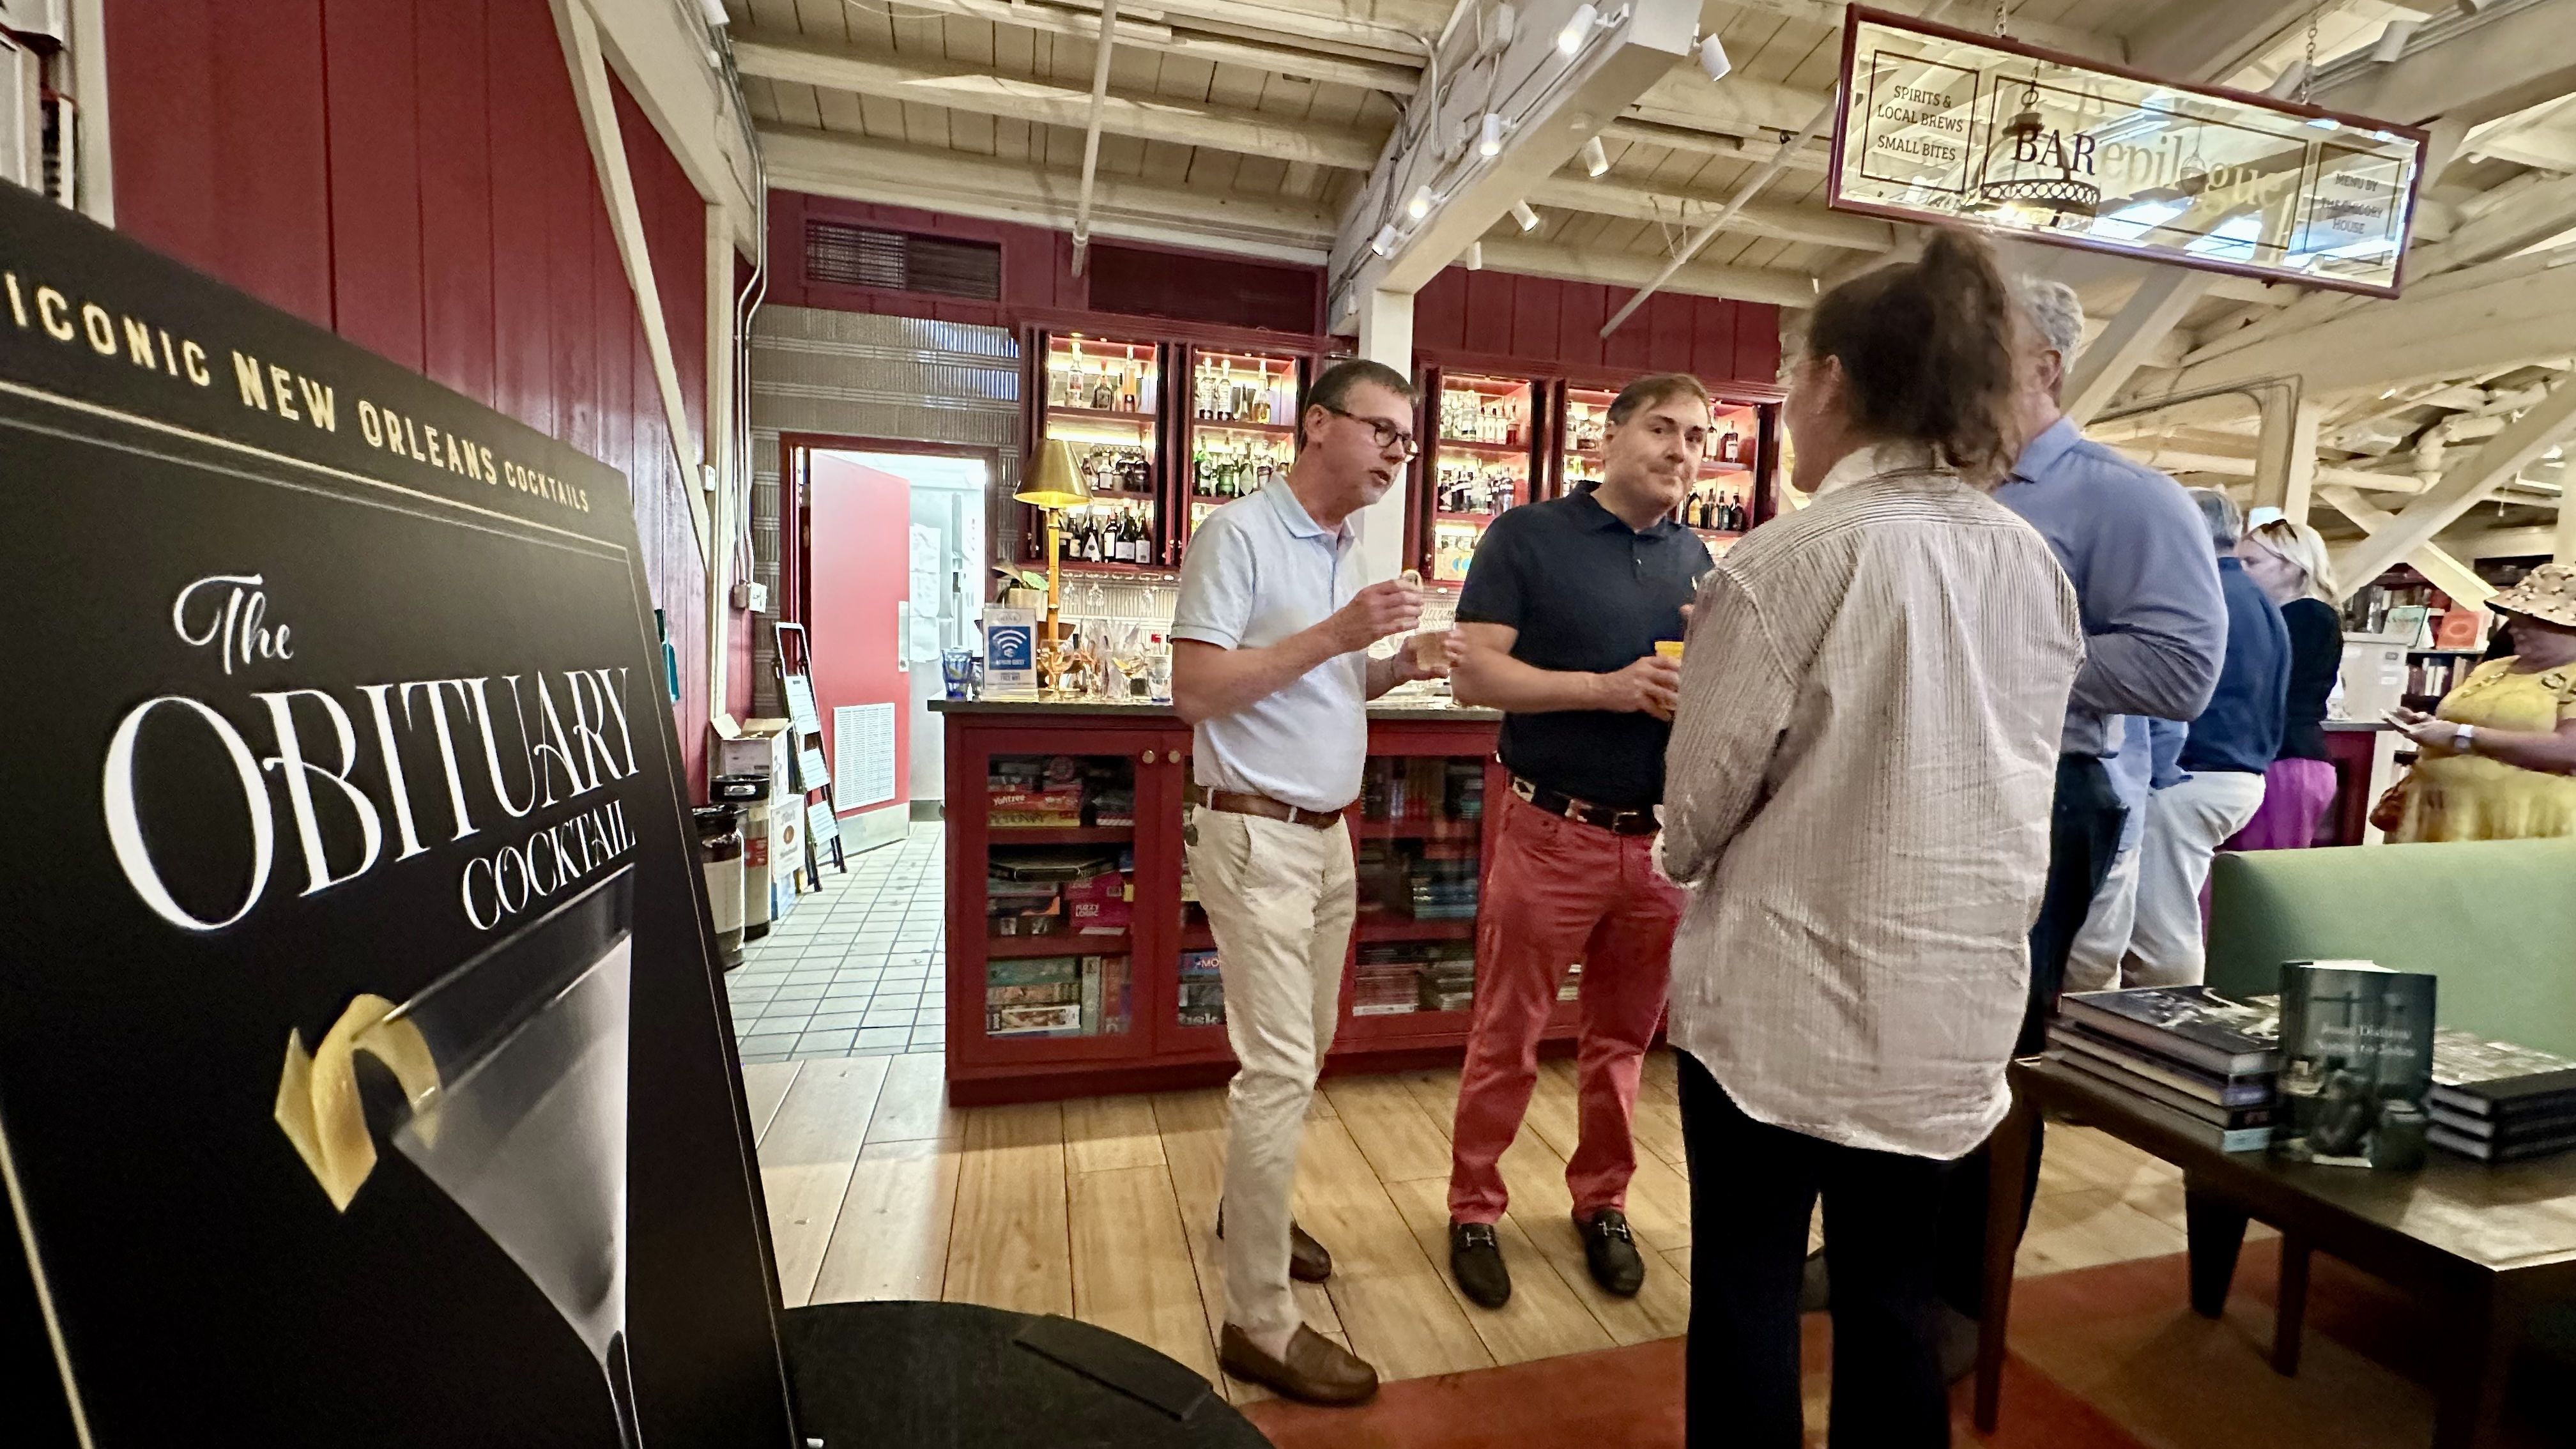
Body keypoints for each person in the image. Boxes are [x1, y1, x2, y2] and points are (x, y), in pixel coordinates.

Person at [1659, 227, 2084, 1449]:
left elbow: (1695, 815)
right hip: (1951, 1002)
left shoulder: (1785, 561)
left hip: (1783, 994)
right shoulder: (2030, 563)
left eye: (1793, 379)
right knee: (1893, 1295)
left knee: (1744, 1284)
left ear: (1834, 382)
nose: (1786, 407)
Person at [1927, 277, 2229, 1337]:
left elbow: (2180, 667)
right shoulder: (1950, 488)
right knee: (1919, 1033)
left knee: (2000, 1043)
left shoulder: (2122, 496)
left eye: (1976, 347)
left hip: (2046, 793)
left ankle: (1970, 1295)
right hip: (1935, 784)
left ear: (2043, 368)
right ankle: (1897, 1256)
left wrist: (1997, 657)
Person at [1168, 357, 1447, 1405]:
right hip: (1255, 836)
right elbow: (1195, 690)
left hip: (1324, 836)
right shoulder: (1236, 535)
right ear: (1317, 426)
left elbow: (1324, 676)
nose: (1394, 452)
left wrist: (1394, 661)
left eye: (1406, 440)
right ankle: (1259, 1320)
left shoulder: (1342, 548)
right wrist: (1340, 632)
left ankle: (1251, 1211)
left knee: (1304, 1053)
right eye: (1380, 429)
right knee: (1280, 1067)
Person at [1441, 372, 1715, 1310]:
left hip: (1660, 844)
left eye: (1697, 436)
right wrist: (1607, 688)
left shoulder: (1701, 564)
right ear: (1610, 436)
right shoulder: (1528, 537)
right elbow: (1472, 673)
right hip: (1551, 828)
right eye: (1663, 428)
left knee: (1624, 1044)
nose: (1682, 450)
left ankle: (1603, 1202)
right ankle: (1474, 1205)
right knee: (1508, 1031)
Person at [2125, 490, 2290, 986]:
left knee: (2160, 931)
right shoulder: (2258, 599)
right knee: (2170, 917)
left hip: (2192, 774)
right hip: (2241, 773)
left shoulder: (2199, 593)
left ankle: (2163, 1036)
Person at [2382, 561, 2576, 841]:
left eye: (2535, 620)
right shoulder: (2493, 668)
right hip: (2443, 816)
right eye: (2516, 616)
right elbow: (2471, 723)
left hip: (2524, 824)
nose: (2515, 627)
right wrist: (2432, 727)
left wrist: (2462, 736)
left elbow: (2570, 750)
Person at [2227, 517, 2345, 851]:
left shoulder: (2307, 616)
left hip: (2286, 760)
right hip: (2283, 758)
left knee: (2252, 875)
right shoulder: (2286, 616)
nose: (2243, 572)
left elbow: (2262, 688)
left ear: (2293, 567)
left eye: (2252, 562)